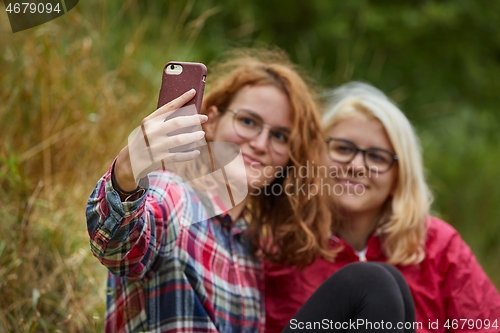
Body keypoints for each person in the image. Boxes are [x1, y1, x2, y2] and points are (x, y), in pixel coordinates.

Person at [86, 49, 337, 332]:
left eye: (280, 136)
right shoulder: (174, 195)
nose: (261, 143)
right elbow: (114, 247)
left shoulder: (250, 253)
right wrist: (126, 172)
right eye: (248, 122)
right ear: (213, 122)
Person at [264, 82, 500, 333]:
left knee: (387, 283)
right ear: (316, 156)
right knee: (372, 283)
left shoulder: (438, 247)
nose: (356, 166)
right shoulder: (280, 243)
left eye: (377, 157)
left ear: (400, 175)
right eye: (343, 149)